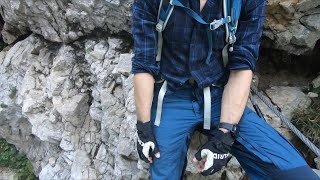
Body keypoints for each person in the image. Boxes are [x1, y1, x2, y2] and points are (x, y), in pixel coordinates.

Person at [131, 0, 320, 179]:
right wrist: (144, 127)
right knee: (163, 174)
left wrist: (225, 134)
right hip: (171, 96)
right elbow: (144, 64)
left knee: (297, 174)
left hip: (219, 96)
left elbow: (242, 65)